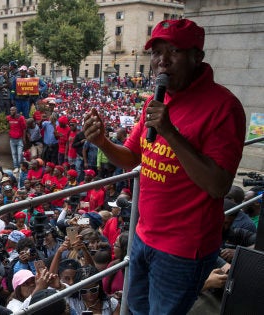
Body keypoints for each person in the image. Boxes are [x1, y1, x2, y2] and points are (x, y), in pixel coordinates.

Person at [83, 18, 246, 314]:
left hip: (184, 251)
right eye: (157, 52)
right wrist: (103, 142)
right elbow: (132, 156)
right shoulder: (156, 102)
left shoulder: (224, 107)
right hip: (143, 236)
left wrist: (170, 132)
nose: (162, 61)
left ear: (198, 57)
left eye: (174, 51)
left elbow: (218, 185)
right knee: (134, 309)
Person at [7, 106, 27, 173]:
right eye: (10, 110)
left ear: (16, 111)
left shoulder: (21, 118)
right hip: (12, 139)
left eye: (13, 110)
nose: (11, 112)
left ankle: (21, 167)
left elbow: (24, 128)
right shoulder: (8, 118)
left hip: (19, 139)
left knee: (20, 154)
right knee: (14, 154)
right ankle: (16, 167)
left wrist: (24, 138)